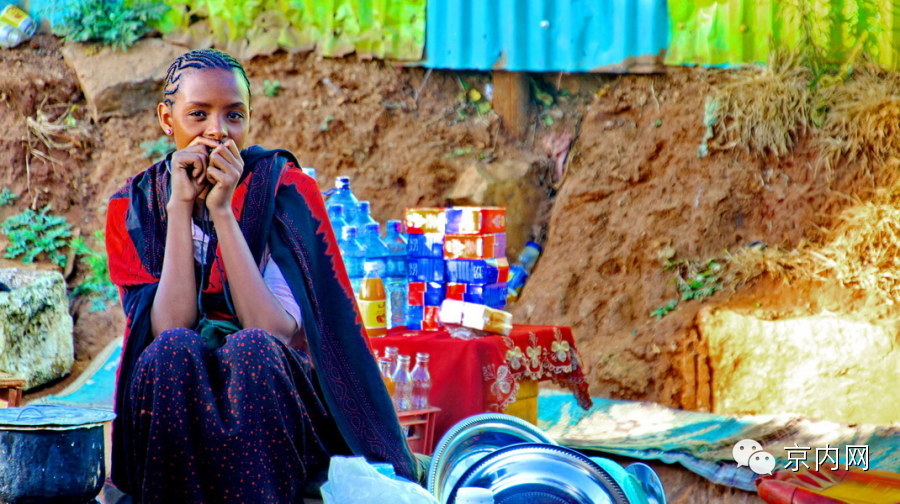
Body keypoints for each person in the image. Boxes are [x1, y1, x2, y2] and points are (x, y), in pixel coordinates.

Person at [105, 49, 420, 503]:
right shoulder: (136, 205)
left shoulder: (283, 189)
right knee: (171, 352)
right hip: (180, 389)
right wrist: (179, 207)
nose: (217, 131)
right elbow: (168, 327)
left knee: (252, 350)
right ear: (166, 118)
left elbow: (273, 332)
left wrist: (221, 211)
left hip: (273, 392)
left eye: (234, 115)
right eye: (198, 114)